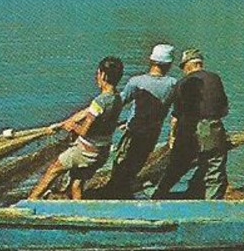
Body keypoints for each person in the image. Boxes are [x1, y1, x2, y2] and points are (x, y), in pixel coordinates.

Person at [28, 56, 125, 201]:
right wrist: (62, 124)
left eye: (98, 74)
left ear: (103, 75)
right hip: (101, 153)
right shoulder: (117, 98)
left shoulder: (99, 101)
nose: (97, 77)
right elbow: (87, 112)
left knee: (54, 169)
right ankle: (79, 210)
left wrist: (72, 126)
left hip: (85, 152)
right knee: (76, 184)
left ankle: (29, 202)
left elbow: (84, 130)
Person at [96, 43, 180, 198]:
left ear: (151, 61)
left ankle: (115, 195)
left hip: (133, 132)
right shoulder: (173, 84)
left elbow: (118, 103)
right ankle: (124, 193)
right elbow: (176, 113)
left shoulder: (137, 82)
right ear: (169, 64)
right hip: (152, 134)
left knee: (120, 165)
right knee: (135, 166)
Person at [152, 48, 231, 199]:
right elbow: (224, 110)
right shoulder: (215, 78)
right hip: (212, 129)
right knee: (214, 171)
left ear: (188, 66)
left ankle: (157, 197)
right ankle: (211, 209)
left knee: (175, 167)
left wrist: (172, 138)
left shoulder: (181, 83)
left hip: (186, 131)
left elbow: (175, 117)